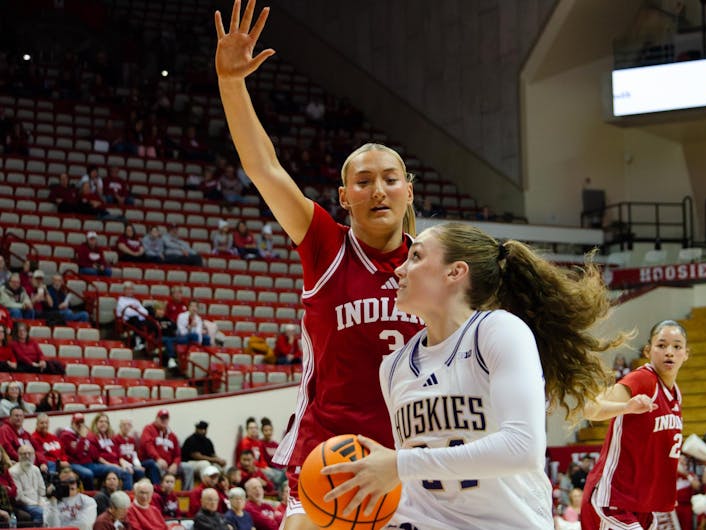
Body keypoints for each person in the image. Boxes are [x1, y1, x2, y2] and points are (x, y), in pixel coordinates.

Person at [215, 5, 425, 528]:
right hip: (330, 455)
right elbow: (263, 167)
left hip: (412, 459)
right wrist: (231, 83)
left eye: (390, 178)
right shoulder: (324, 245)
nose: (378, 189)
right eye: (363, 181)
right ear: (344, 197)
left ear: (408, 189)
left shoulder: (434, 262)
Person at [321, 222, 625, 529]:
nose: (399, 270)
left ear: (455, 272)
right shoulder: (393, 367)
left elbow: (523, 448)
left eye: (415, 257)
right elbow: (417, 480)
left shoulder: (497, 330)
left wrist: (400, 465)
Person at [580, 320, 689, 530]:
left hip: (640, 503)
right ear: (648, 350)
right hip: (613, 499)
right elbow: (590, 407)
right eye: (661, 345)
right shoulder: (643, 379)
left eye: (677, 346)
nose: (669, 352)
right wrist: (626, 407)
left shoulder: (675, 393)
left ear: (686, 354)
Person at [139, 409, 194, 489]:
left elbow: (178, 455)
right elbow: (148, 446)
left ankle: (185, 493)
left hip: (170, 465)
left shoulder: (172, 436)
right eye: (162, 418)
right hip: (153, 461)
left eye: (166, 418)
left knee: (188, 468)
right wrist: (158, 458)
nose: (164, 420)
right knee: (157, 466)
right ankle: (160, 491)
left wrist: (175, 464)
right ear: (156, 418)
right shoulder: (149, 429)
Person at [88, 413, 134, 491]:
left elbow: (118, 455)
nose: (104, 424)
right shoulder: (92, 436)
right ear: (96, 423)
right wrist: (112, 465)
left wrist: (124, 465)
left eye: (106, 422)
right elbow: (97, 457)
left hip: (114, 463)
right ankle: (126, 497)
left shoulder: (111, 436)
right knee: (125, 473)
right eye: (101, 421)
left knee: (134, 470)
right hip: (100, 464)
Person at [114, 417, 159, 484]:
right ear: (120, 426)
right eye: (124, 425)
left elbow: (134, 455)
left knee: (150, 463)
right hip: (123, 465)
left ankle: (156, 486)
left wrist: (138, 465)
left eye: (128, 425)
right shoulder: (115, 439)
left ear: (131, 427)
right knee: (138, 472)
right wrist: (132, 467)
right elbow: (119, 457)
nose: (126, 427)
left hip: (132, 463)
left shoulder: (131, 440)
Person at [9, 443, 45, 525]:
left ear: (34, 455)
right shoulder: (13, 472)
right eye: (24, 454)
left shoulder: (36, 469)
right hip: (24, 504)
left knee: (54, 510)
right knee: (41, 512)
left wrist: (41, 502)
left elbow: (42, 489)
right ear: (19, 456)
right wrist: (36, 504)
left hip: (38, 502)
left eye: (30, 453)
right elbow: (19, 497)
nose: (27, 456)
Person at [60, 413, 98, 490]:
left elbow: (95, 455)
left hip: (89, 463)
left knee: (115, 470)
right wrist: (83, 438)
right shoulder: (66, 436)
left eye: (82, 423)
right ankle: (90, 497)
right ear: (72, 424)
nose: (80, 426)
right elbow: (78, 455)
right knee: (88, 474)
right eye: (77, 423)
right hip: (74, 464)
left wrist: (88, 439)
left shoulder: (88, 434)